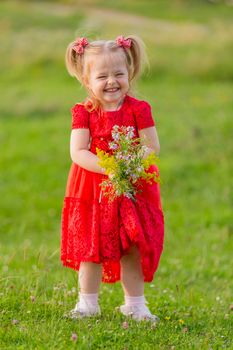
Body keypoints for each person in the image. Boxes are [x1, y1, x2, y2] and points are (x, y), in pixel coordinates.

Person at [60, 35, 164, 322]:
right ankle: (87, 303)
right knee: (90, 247)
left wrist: (128, 165)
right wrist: (109, 167)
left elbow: (151, 146)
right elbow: (78, 151)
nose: (112, 81)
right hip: (94, 187)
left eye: (119, 73)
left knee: (131, 245)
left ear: (129, 72)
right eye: (102, 75)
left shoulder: (139, 109)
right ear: (86, 78)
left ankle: (135, 303)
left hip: (132, 186)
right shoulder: (84, 112)